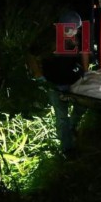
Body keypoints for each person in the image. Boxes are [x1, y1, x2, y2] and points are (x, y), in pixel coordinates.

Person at [27, 10, 90, 156]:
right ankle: (67, 149)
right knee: (62, 117)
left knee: (81, 107)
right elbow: (30, 54)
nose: (73, 32)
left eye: (76, 29)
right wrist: (38, 74)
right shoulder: (47, 38)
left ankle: (72, 127)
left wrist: (86, 71)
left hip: (75, 81)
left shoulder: (77, 37)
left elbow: (84, 51)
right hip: (54, 83)